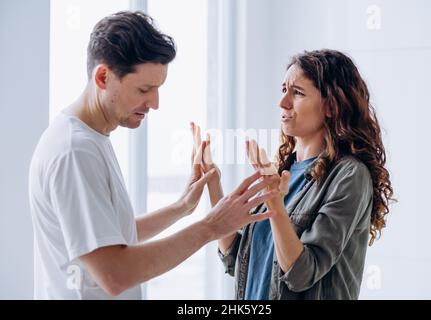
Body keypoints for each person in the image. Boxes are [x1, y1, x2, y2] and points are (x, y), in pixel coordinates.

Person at [28, 11, 279, 300]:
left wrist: (182, 207)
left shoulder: (89, 139)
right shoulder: (75, 151)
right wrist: (211, 227)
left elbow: (110, 237)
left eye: (158, 89)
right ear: (102, 77)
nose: (155, 103)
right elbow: (114, 274)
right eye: (144, 89)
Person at [195, 49, 394, 299]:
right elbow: (236, 259)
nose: (283, 102)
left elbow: (301, 273)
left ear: (331, 106)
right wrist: (213, 182)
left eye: (297, 93)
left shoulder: (350, 176)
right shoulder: (282, 172)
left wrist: (275, 205)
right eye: (283, 90)